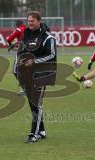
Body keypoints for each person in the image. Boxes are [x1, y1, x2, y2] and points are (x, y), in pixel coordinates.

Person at [17, 11, 57, 143]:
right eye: (28, 21)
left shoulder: (48, 37)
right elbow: (22, 50)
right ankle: (42, 131)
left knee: (36, 104)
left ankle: (33, 134)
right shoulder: (26, 34)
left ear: (39, 21)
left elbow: (51, 55)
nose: (30, 23)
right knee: (33, 104)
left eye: (32, 21)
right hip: (29, 75)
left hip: (43, 74)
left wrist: (34, 61)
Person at [6, 20, 26, 95]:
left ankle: (26, 88)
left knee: (15, 71)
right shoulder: (28, 29)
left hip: (21, 52)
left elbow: (9, 39)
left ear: (17, 25)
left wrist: (10, 45)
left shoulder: (18, 29)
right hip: (30, 52)